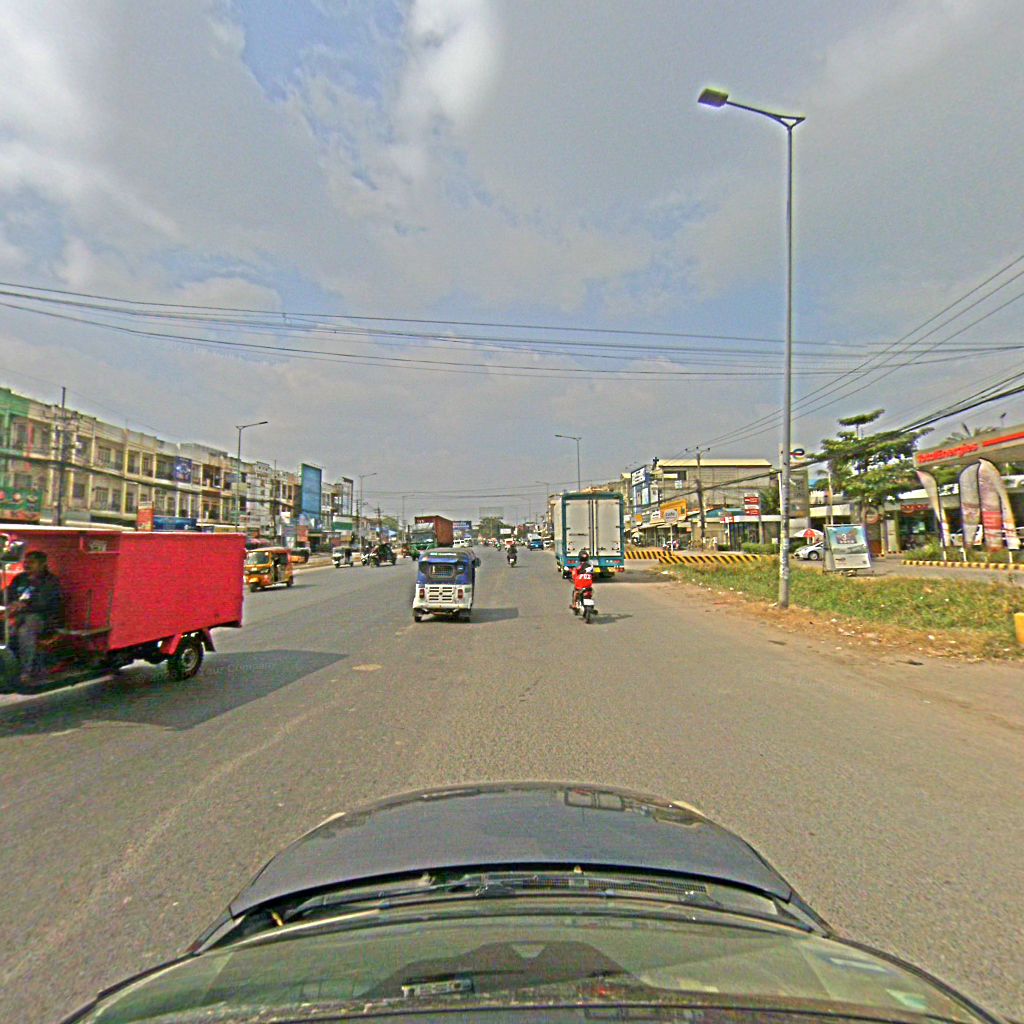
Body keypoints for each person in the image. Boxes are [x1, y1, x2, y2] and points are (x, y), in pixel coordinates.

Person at [6, 550, 62, 687]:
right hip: (18, 615)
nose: (27, 565)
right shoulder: (20, 578)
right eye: (25, 562)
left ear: (42, 564)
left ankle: (26, 671)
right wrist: (11, 604)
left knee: (25, 630)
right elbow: (7, 593)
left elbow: (43, 604)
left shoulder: (50, 581)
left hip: (43, 618)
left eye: (31, 562)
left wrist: (22, 607)